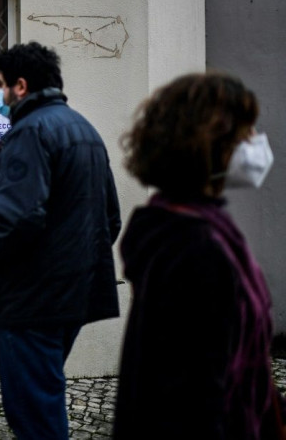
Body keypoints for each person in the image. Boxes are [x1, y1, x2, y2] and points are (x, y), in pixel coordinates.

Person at [0, 42, 121, 439]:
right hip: (74, 294)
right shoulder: (84, 129)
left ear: (20, 85)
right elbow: (110, 220)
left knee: (33, 414)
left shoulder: (29, 133)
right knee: (44, 397)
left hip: (31, 300)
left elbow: (17, 221)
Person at [114, 72, 285, 439]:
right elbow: (193, 394)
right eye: (246, 131)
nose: (255, 142)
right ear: (212, 143)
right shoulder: (194, 246)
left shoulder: (192, 223)